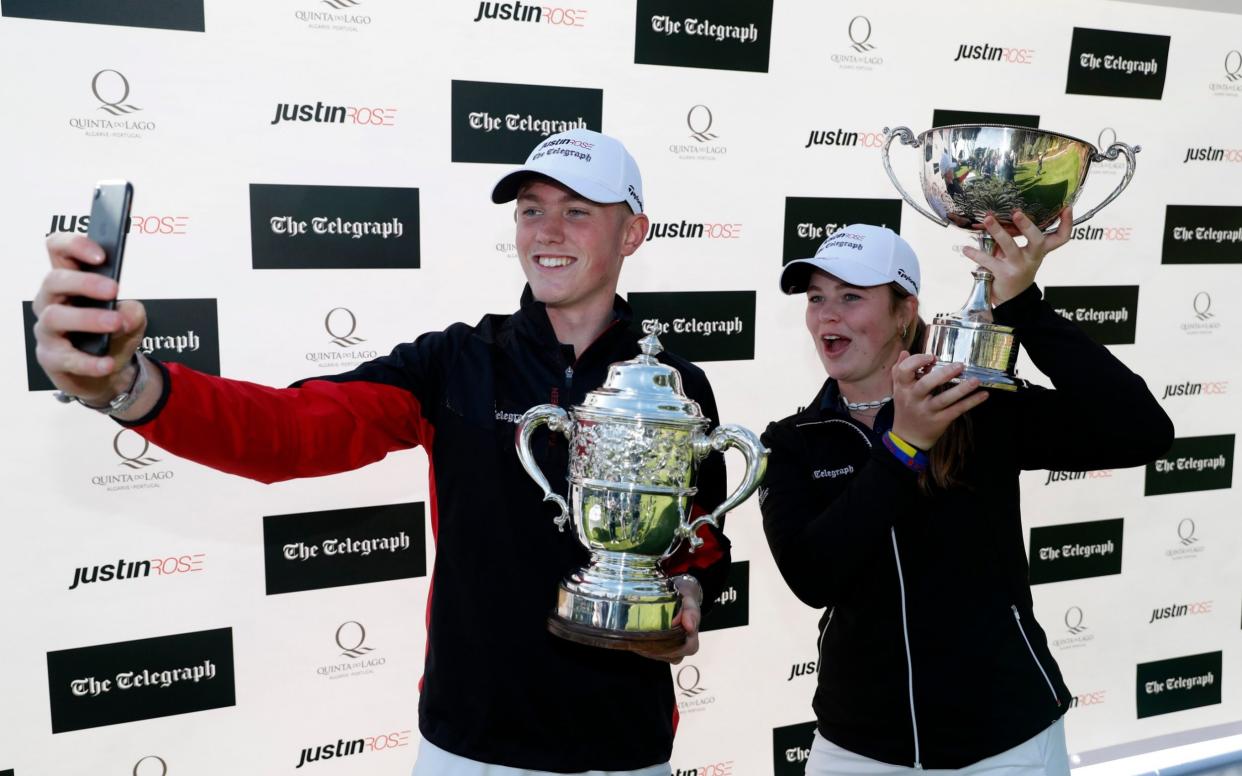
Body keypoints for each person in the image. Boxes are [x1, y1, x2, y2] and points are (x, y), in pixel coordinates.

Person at [31, 129, 731, 776]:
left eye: (577, 211)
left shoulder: (678, 388)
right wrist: (132, 385)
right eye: (529, 208)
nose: (546, 231)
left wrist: (688, 601)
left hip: (622, 744)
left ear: (633, 232)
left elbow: (697, 545)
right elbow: (293, 429)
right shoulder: (454, 363)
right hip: (467, 744)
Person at [759, 214, 1173, 774]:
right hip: (858, 747)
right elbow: (813, 576)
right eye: (816, 298)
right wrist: (904, 446)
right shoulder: (793, 441)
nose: (828, 315)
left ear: (905, 313)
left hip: (1007, 744)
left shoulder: (978, 406)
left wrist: (1023, 306)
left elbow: (1141, 429)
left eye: (852, 296)